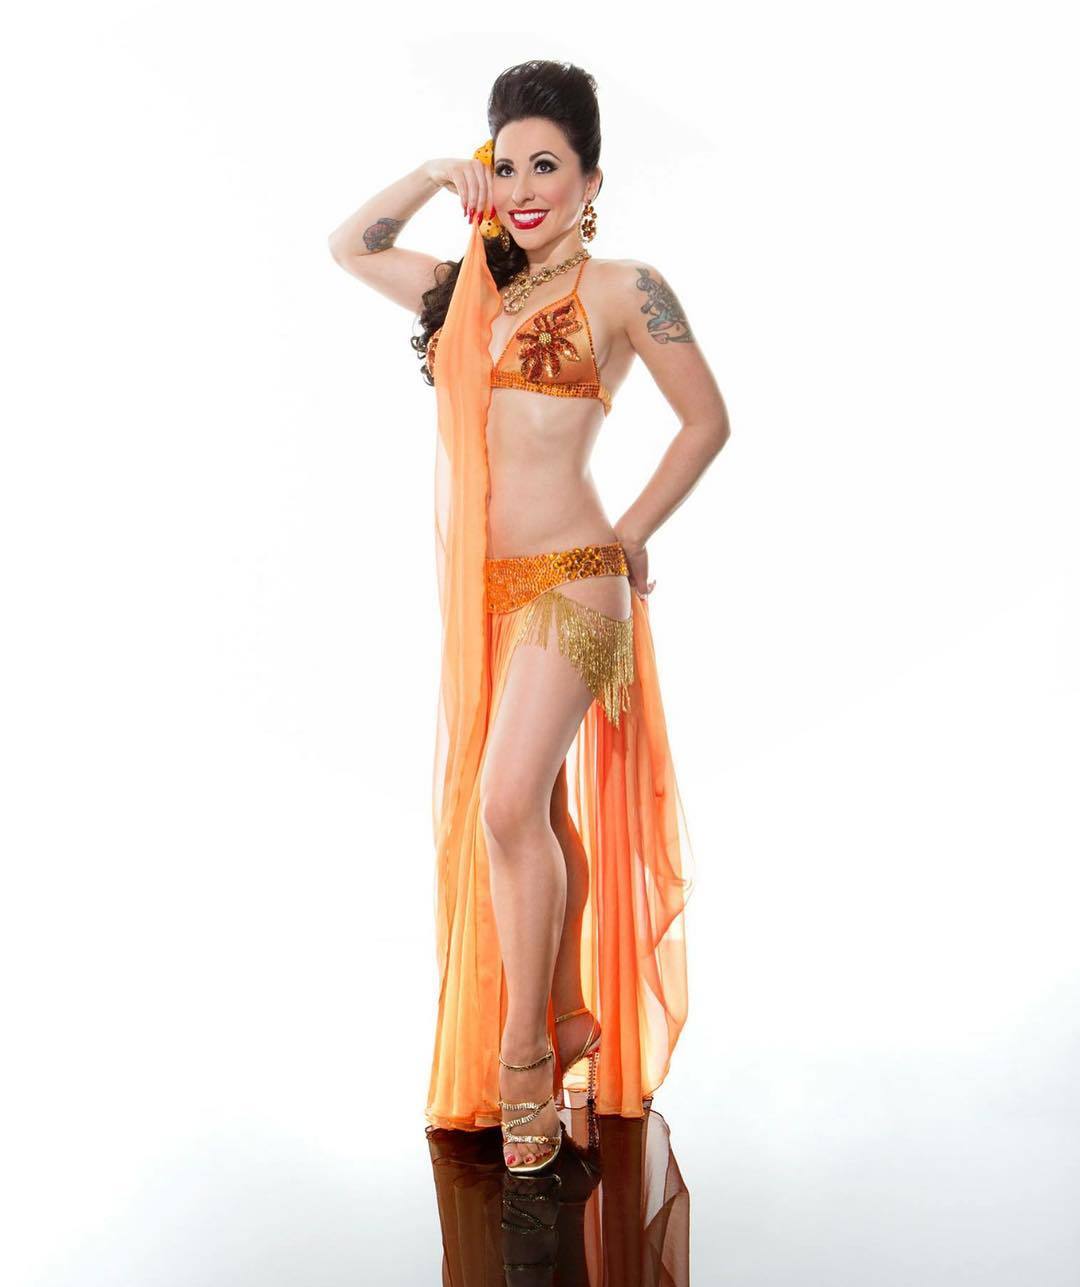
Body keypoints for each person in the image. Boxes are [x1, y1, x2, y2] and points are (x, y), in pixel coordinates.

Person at [329, 59, 730, 1174]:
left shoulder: (625, 288)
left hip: (572, 579)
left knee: (506, 805)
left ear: (590, 180)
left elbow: (706, 421)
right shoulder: (468, 292)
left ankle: (524, 1063)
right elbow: (351, 245)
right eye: (503, 167)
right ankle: (565, 1011)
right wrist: (432, 174)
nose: (521, 188)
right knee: (533, 812)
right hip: (490, 597)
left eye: (545, 165)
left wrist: (633, 531)